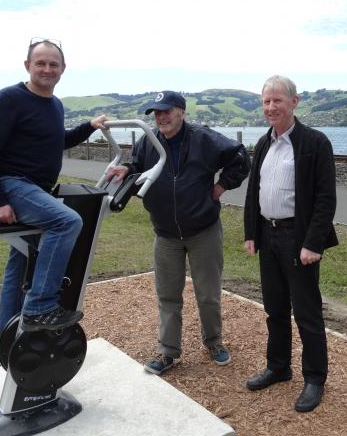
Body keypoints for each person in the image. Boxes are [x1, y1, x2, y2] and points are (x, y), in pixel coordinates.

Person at [106, 90, 251, 375]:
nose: (161, 117)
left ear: (181, 112)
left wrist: (221, 186)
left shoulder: (203, 138)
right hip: (166, 234)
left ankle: (214, 342)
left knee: (208, 293)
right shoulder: (149, 143)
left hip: (203, 231)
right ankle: (168, 351)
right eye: (156, 113)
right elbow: (136, 166)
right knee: (168, 296)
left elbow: (239, 156)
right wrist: (126, 169)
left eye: (166, 111)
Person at [0, 38, 108, 341]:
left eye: (53, 64)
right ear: (27, 66)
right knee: (67, 221)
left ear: (62, 69)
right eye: (41, 63)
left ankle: (6, 342)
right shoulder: (8, 99)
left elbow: (57, 141)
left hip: (37, 190)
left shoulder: (54, 105)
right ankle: (40, 307)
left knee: (20, 262)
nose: (47, 69)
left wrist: (90, 125)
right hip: (15, 184)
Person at [243, 75, 338, 413]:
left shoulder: (315, 142)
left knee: (307, 313)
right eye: (266, 101)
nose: (271, 107)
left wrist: (313, 243)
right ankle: (279, 367)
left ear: (294, 102)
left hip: (299, 240)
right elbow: (255, 190)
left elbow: (326, 199)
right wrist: (251, 233)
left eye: (277, 101)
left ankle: (314, 379)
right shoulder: (264, 144)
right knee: (275, 309)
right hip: (268, 237)